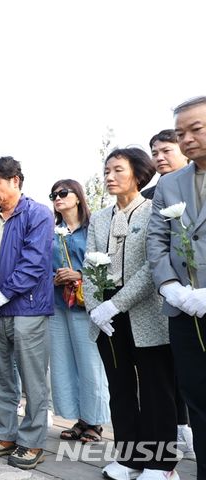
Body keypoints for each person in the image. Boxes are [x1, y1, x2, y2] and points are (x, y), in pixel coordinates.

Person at [85, 148, 179, 480]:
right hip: (107, 319)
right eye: (106, 171)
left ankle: (162, 464)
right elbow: (89, 265)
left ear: (138, 173)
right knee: (120, 387)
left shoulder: (154, 210)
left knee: (156, 389)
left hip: (145, 313)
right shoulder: (98, 218)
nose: (109, 177)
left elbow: (152, 268)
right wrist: (96, 308)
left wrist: (117, 304)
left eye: (117, 170)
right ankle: (129, 457)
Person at [0, 157, 54, 470]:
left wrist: (5, 293)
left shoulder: (38, 214)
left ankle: (32, 441)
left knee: (33, 379)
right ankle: (5, 434)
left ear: (15, 180)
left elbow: (34, 262)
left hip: (27, 307)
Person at [148, 96, 206, 480]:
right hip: (185, 309)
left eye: (195, 129)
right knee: (197, 398)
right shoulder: (170, 184)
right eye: (180, 132)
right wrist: (171, 287)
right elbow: (156, 241)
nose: (186, 139)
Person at [142, 129, 195, 456]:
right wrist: (169, 285)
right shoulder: (149, 196)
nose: (159, 157)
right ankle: (178, 428)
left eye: (166, 150)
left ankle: (186, 427)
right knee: (171, 369)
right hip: (164, 298)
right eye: (154, 152)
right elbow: (153, 245)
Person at [48, 180, 110, 444]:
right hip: (57, 304)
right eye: (53, 195)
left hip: (86, 305)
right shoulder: (51, 232)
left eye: (63, 193)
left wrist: (80, 274)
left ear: (77, 196)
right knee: (62, 364)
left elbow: (106, 263)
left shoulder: (94, 227)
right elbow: (42, 267)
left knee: (90, 363)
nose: (58, 198)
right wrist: (55, 278)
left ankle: (94, 422)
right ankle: (78, 419)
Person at [141, 129, 189, 200]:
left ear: (185, 153)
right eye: (154, 154)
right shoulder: (145, 197)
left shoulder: (201, 187)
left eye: (166, 151)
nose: (159, 158)